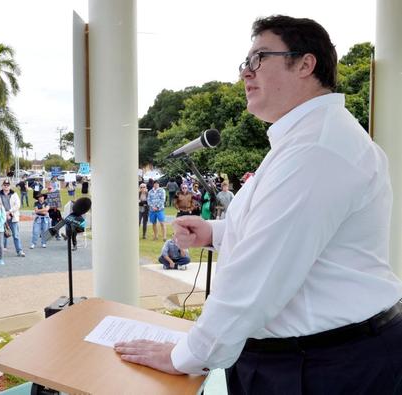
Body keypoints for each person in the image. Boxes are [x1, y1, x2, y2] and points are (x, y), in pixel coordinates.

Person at [114, 15, 402, 394]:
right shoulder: (306, 138)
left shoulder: (316, 149)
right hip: (314, 357)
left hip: (323, 366)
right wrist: (215, 232)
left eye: (258, 59)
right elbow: (287, 236)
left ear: (305, 63)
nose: (245, 74)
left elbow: (256, 277)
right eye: (245, 64)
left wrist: (182, 356)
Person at [0, 180, 25, 257]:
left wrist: (9, 212)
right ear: (2, 186)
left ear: (9, 186)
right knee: (2, 235)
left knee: (16, 235)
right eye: (5, 185)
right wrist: (5, 213)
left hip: (13, 217)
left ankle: (19, 251)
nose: (6, 186)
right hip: (3, 217)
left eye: (7, 185)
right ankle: (0, 251)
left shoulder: (14, 194)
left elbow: (17, 205)